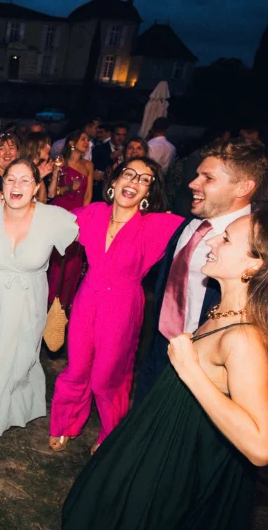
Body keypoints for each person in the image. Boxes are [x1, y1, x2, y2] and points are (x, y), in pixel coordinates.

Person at [50, 205, 268, 530]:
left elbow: (263, 447)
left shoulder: (243, 339)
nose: (212, 241)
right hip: (166, 435)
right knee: (101, 508)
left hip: (183, 458)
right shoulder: (226, 310)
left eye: (227, 239)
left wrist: (190, 369)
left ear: (255, 267)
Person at [49, 157, 183, 454]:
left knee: (108, 376)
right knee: (77, 368)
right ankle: (66, 423)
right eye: (129, 174)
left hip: (122, 303)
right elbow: (54, 220)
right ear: (114, 181)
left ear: (149, 191)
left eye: (144, 179)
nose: (134, 182)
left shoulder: (157, 225)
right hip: (88, 297)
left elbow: (201, 228)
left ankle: (109, 432)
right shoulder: (95, 213)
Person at [133, 138, 268, 405]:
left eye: (207, 178)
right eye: (197, 174)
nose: (192, 183)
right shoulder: (189, 226)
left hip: (206, 368)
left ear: (244, 187)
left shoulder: (259, 247)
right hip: (159, 348)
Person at [0, 159, 79, 441]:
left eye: (24, 180)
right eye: (9, 179)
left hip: (27, 299)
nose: (16, 186)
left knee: (17, 358)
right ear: (2, 184)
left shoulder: (54, 218)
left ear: (35, 187)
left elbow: (90, 234)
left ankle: (4, 409)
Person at [47, 130, 94, 312]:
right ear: (72, 142)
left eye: (88, 139)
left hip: (77, 215)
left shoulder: (88, 165)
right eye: (83, 138)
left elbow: (88, 194)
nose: (87, 142)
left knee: (73, 260)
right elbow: (53, 191)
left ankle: (64, 305)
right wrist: (68, 187)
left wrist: (84, 217)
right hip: (60, 212)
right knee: (57, 259)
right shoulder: (60, 162)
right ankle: (49, 302)